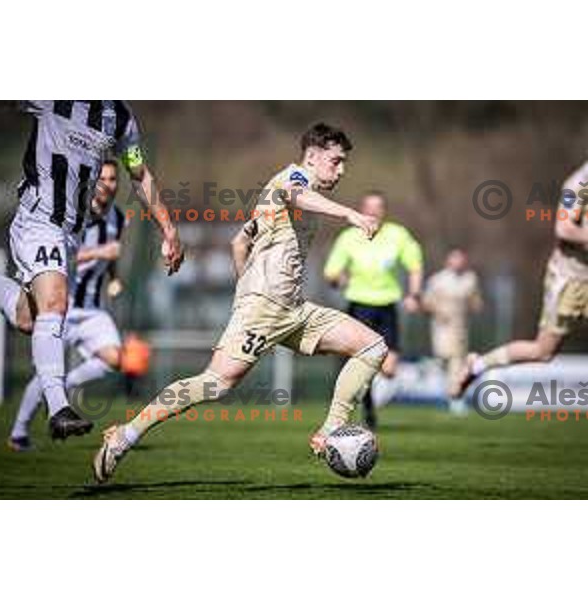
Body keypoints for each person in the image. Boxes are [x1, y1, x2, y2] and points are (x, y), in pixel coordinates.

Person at [93, 122, 389, 483]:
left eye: (344, 163)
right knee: (215, 384)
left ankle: (330, 431)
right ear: (312, 157)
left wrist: (244, 286)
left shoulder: (286, 193)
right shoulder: (292, 179)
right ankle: (125, 437)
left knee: (373, 347)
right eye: (335, 161)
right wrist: (350, 214)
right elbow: (298, 196)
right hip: (264, 308)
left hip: (293, 308)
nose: (341, 170)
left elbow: (238, 242)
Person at [0, 101, 183, 441]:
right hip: (39, 221)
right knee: (55, 304)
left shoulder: (120, 118)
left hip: (70, 236)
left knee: (29, 319)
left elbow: (138, 172)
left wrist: (168, 228)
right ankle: (59, 408)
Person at [8, 160, 129, 450]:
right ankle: (19, 433)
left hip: (91, 309)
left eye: (113, 179)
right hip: (61, 302)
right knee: (46, 373)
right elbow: (59, 258)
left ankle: (68, 384)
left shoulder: (119, 218)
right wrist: (102, 251)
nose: (108, 185)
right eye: (103, 178)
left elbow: (111, 256)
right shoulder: (73, 214)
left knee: (114, 357)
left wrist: (114, 277)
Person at [451, 161, 588, 398]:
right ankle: (478, 365)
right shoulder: (578, 185)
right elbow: (564, 228)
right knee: (543, 351)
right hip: (570, 281)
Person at [323, 191, 423, 429]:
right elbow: (331, 273)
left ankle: (366, 393)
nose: (373, 211)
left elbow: (415, 264)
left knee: (389, 370)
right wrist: (340, 279)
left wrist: (415, 294)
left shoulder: (397, 235)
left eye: (378, 207)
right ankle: (367, 408)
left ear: (383, 211)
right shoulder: (348, 237)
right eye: (368, 207)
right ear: (361, 209)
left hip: (387, 307)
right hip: (359, 307)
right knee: (362, 359)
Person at [423, 248, 483, 412]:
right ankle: (429, 368)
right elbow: (427, 302)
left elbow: (475, 301)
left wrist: (475, 306)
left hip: (460, 327)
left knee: (457, 361)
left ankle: (455, 399)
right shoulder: (437, 280)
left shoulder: (470, 279)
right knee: (443, 358)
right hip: (441, 326)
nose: (458, 263)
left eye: (461, 259)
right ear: (448, 261)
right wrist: (438, 312)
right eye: (455, 259)